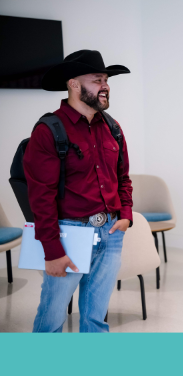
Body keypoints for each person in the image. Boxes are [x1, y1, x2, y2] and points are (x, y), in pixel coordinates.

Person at [23, 50, 133, 332]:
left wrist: (126, 216)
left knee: (96, 318)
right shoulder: (49, 130)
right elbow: (41, 197)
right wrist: (52, 251)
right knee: (52, 317)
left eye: (106, 79)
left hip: (110, 233)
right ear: (73, 84)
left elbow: (123, 178)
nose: (105, 85)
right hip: (69, 234)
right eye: (97, 80)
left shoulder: (113, 128)